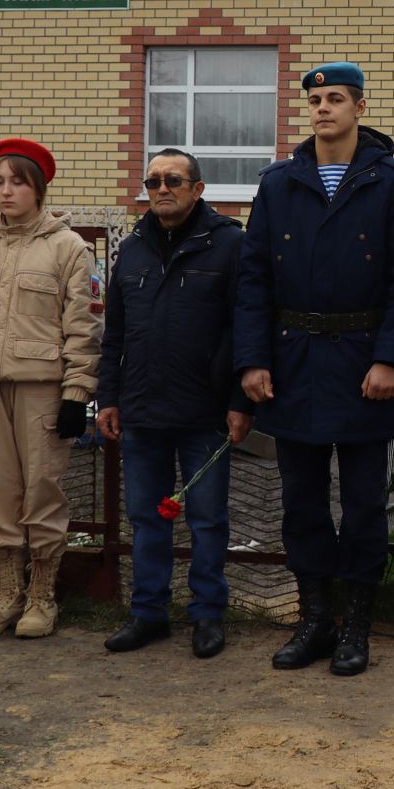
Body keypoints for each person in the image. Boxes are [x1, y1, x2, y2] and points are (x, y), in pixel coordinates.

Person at [235, 61, 394, 677]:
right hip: (293, 363)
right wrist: (253, 359)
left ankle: (357, 628)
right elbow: (254, 280)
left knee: (364, 506)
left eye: (336, 99)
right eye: (316, 99)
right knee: (300, 504)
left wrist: (388, 359)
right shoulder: (279, 183)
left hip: (362, 364)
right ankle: (315, 619)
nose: (323, 108)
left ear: (360, 108)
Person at [0, 138, 101, 639]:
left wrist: (78, 393)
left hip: (43, 389)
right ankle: (6, 596)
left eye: (17, 182)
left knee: (42, 493)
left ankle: (42, 598)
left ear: (38, 188)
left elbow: (84, 326)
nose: (5, 192)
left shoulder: (69, 248)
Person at [97, 148, 254, 659]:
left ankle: (207, 614)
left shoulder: (229, 245)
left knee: (207, 519)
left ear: (198, 189)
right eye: (154, 181)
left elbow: (244, 328)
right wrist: (108, 397)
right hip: (141, 408)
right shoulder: (133, 247)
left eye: (173, 180)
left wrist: (238, 401)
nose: (162, 189)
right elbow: (114, 332)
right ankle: (148, 614)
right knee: (147, 518)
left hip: (204, 410)